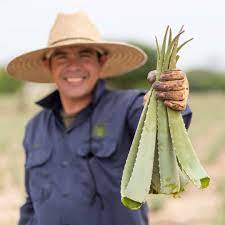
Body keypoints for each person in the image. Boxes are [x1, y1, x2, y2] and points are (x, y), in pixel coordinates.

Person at [7, 11, 192, 225]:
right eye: (61, 56)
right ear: (49, 65)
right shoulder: (35, 127)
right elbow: (32, 203)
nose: (73, 65)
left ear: (101, 61)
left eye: (84, 55)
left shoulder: (128, 107)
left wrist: (167, 103)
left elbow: (164, 129)